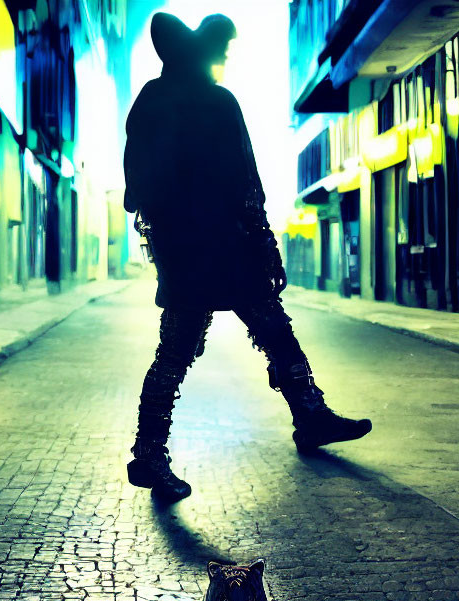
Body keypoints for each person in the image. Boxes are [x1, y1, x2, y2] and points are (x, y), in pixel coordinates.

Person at [124, 12, 371, 503]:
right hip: (229, 249)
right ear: (202, 53)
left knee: (173, 354)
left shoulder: (149, 101)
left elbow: (135, 193)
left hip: (182, 253)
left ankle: (150, 452)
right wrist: (266, 246)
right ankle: (310, 415)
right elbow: (245, 184)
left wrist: (167, 234)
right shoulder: (218, 102)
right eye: (223, 51)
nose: (225, 59)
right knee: (275, 331)